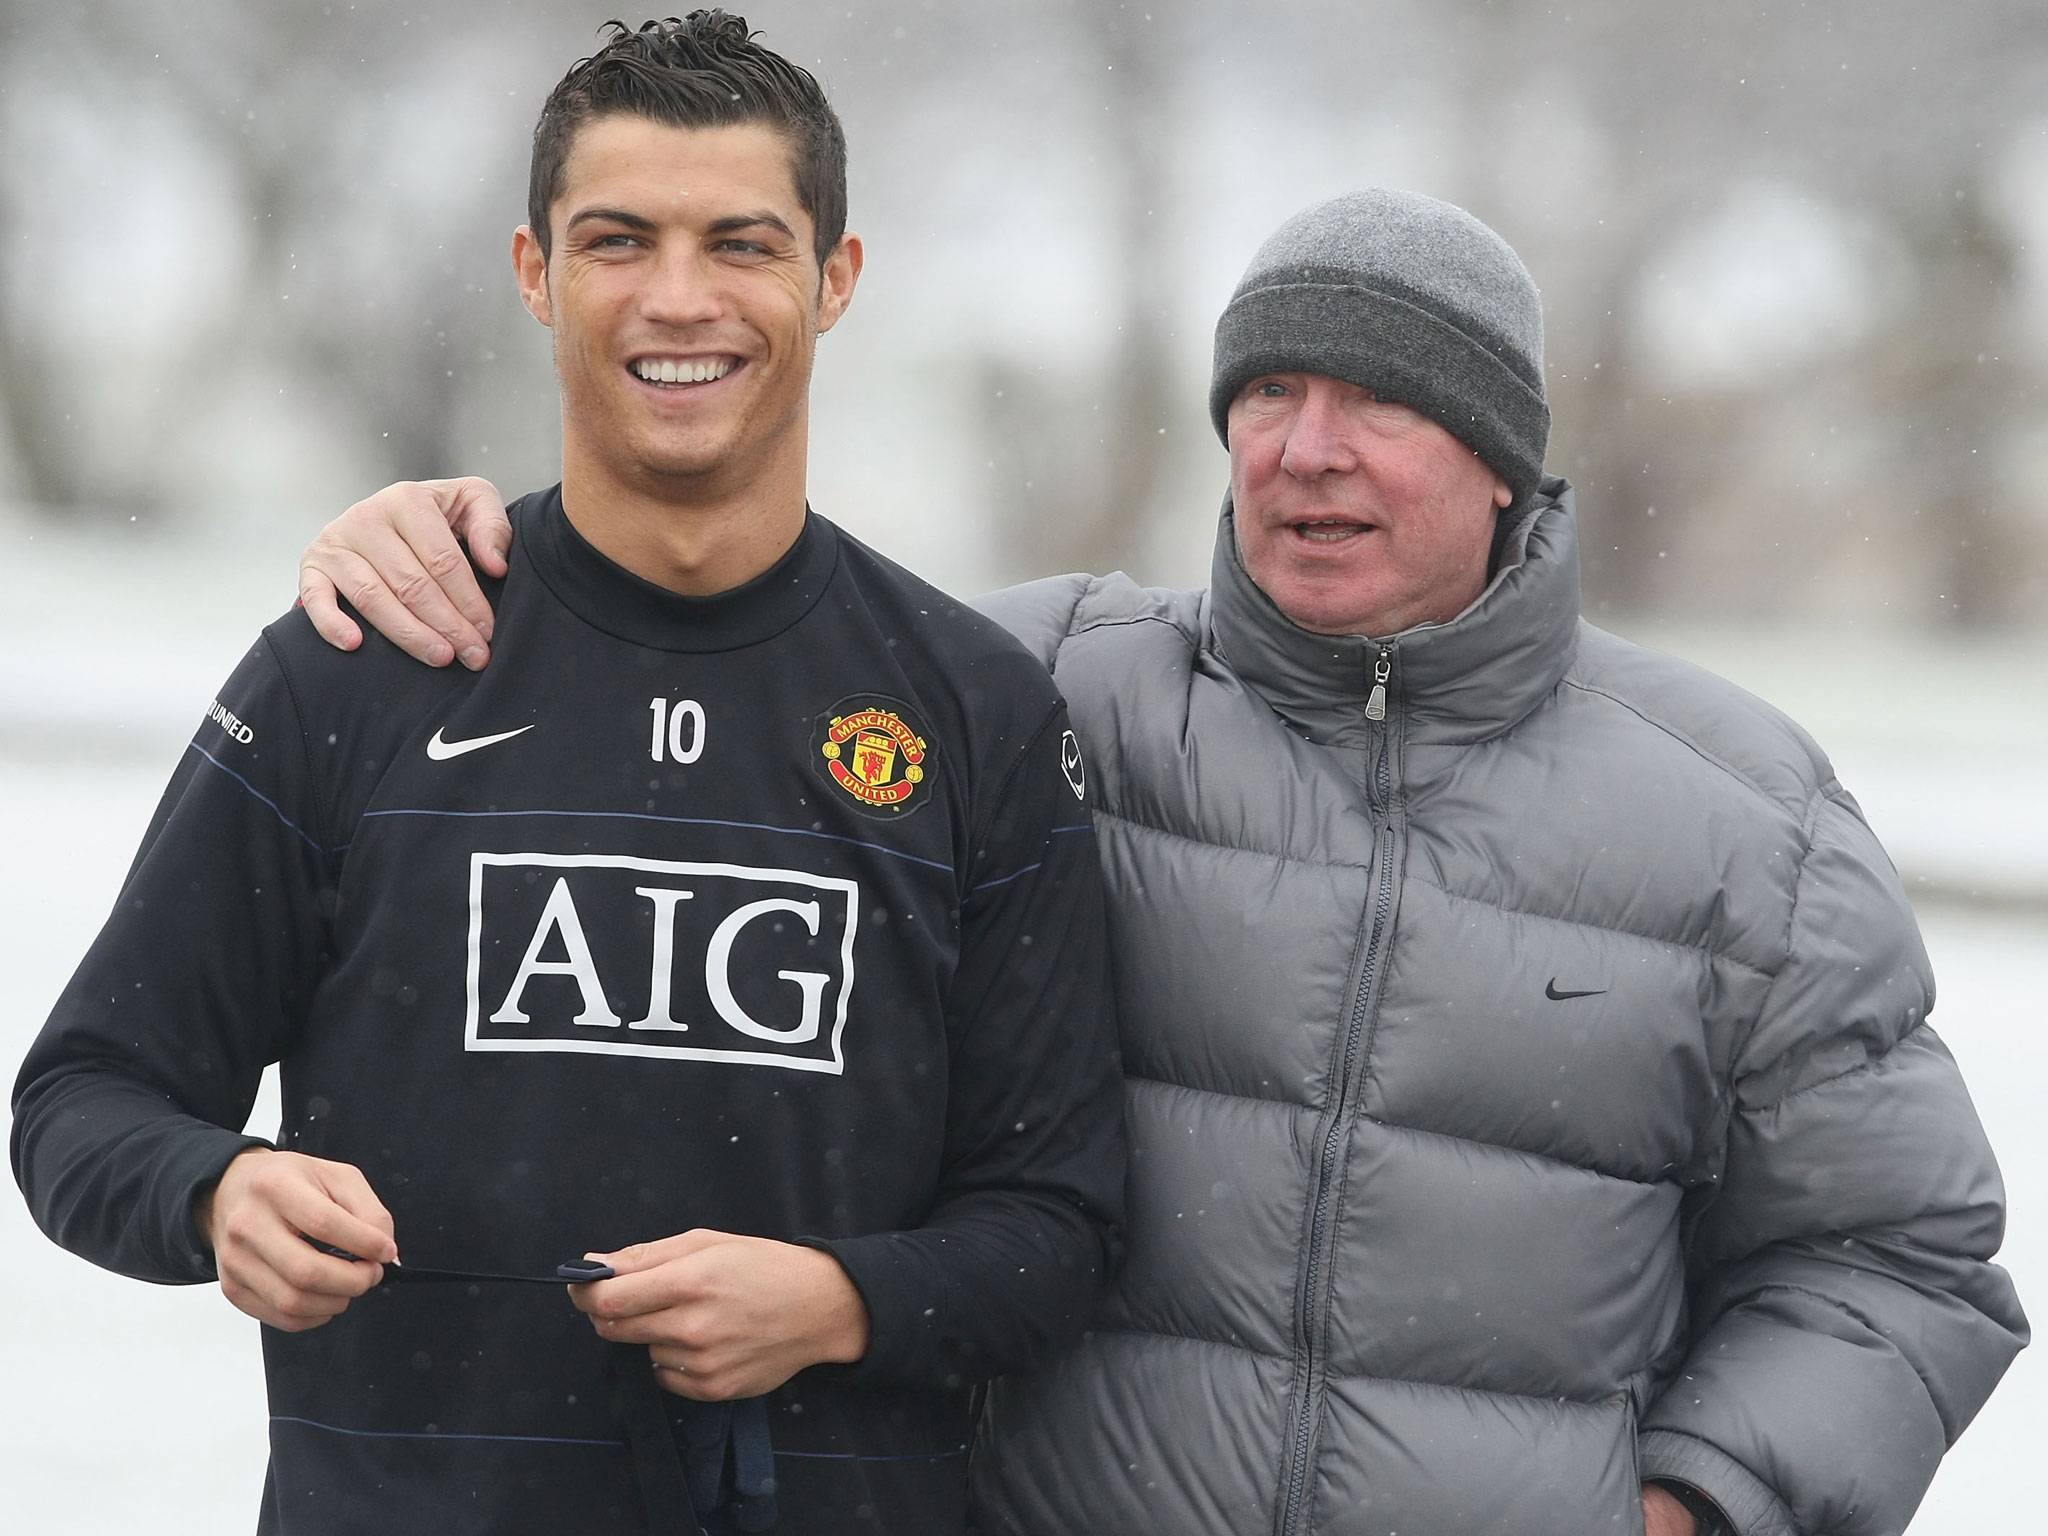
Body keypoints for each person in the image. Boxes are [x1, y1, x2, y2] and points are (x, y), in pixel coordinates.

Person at [294, 190, 2027, 1535]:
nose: (1306, 449)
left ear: (1504, 464)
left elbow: (1902, 1261)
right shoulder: (1024, 693)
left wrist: (1698, 1503)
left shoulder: (1741, 817)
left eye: (1380, 403)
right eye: (1268, 390)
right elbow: (698, 658)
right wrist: (461, 545)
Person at [10, 15, 1124, 1536]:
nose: (680, 298)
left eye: (742, 241)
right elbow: (82, 1102)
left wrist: (839, 1300)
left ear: (835, 279)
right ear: (535, 273)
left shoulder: (974, 711)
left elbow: (1062, 1227)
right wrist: (216, 1195)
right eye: (618, 240)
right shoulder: (358, 661)